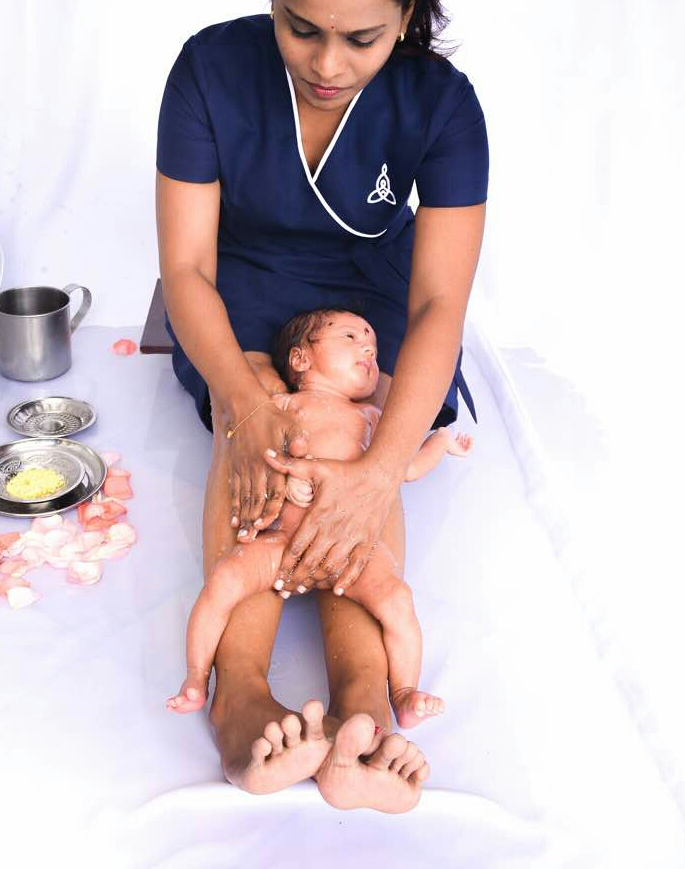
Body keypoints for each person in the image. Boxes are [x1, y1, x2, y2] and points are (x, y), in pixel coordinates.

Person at [156, 0, 488, 813]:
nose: (327, 64)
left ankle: (362, 707)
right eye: (302, 29)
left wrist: (382, 465)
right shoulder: (209, 72)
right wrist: (249, 402)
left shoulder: (445, 107)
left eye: (363, 40)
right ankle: (241, 693)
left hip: (367, 307)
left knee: (354, 434)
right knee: (264, 420)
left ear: (407, 23)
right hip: (240, 297)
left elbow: (437, 305)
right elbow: (185, 269)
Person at [167, 308, 473, 726]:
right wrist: (282, 474)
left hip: (349, 550)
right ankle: (198, 677)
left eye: (372, 343)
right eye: (350, 337)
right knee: (222, 582)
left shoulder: (372, 419)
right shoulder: (278, 408)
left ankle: (402, 691)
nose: (368, 346)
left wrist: (440, 443)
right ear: (300, 360)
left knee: (397, 601)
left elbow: (406, 468)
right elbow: (256, 450)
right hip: (277, 542)